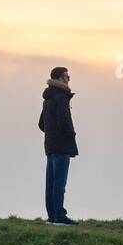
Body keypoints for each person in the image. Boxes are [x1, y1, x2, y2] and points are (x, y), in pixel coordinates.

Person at [39, 66, 79, 226]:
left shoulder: (48, 99)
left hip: (50, 146)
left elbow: (41, 124)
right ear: (60, 79)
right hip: (61, 146)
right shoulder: (61, 98)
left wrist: (51, 133)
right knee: (59, 183)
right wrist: (71, 134)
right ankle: (60, 216)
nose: (69, 80)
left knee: (51, 183)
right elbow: (64, 123)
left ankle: (52, 215)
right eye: (67, 77)